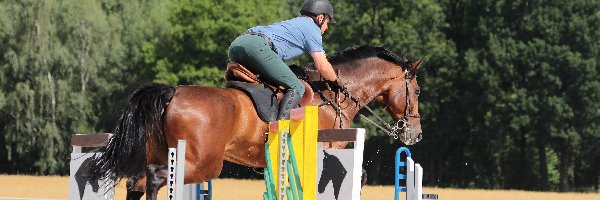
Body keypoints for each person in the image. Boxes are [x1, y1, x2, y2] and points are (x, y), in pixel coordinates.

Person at [228, 0, 338, 120]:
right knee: (297, 87)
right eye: (328, 22)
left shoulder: (295, 24)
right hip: (256, 47)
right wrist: (337, 82)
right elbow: (323, 67)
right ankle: (282, 132)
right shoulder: (312, 29)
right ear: (320, 18)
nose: (327, 28)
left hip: (237, 44)